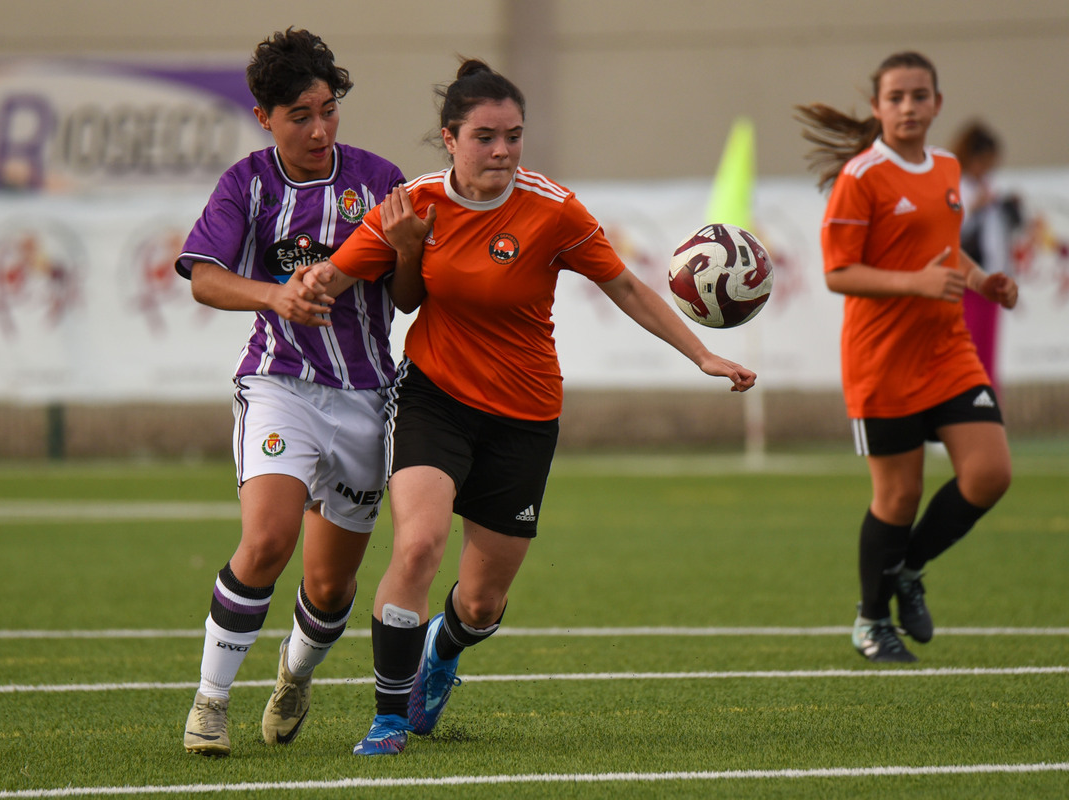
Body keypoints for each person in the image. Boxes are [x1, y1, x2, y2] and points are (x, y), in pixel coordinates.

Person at [304, 59, 757, 755]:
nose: (504, 151)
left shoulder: (555, 210)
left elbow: (628, 289)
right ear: (450, 138)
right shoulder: (414, 203)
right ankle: (388, 719)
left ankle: (443, 653)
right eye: (486, 137)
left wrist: (700, 355)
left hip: (525, 413)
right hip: (434, 397)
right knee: (419, 544)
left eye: (514, 136)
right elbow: (336, 280)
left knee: (481, 606)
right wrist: (286, 292)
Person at [175, 28, 426, 756]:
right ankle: (210, 702)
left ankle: (294, 675)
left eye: (328, 110)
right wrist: (274, 297)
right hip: (280, 383)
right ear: (265, 117)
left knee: (329, 586)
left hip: (365, 398)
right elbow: (203, 277)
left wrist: (408, 247)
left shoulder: (381, 181)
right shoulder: (247, 184)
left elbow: (407, 299)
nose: (319, 129)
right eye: (299, 116)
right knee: (268, 540)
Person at [796, 52, 1018, 663]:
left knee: (990, 474)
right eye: (895, 97)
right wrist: (914, 284)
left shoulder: (947, 167)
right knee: (899, 497)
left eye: (920, 96)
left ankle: (907, 571)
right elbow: (839, 273)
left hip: (948, 351)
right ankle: (871, 622)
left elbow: (946, 252)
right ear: (877, 108)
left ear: (938, 104)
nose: (909, 107)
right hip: (882, 359)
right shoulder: (861, 177)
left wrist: (980, 282)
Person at [950, 120, 1024, 389]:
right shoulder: (957, 187)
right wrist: (975, 206)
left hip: (989, 277)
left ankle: (987, 401)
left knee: (987, 351)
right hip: (966, 282)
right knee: (969, 349)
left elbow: (1000, 237)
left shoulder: (990, 187)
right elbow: (949, 232)